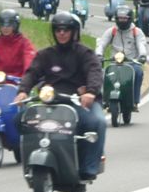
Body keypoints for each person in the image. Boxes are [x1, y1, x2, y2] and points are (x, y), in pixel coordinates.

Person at [14, 12, 106, 180]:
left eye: (66, 30)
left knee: (97, 121)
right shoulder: (45, 55)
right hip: (52, 101)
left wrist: (91, 92)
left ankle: (89, 166)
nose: (61, 33)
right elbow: (32, 73)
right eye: (58, 30)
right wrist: (22, 91)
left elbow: (95, 72)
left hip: (79, 101)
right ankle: (33, 155)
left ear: (74, 32)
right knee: (19, 119)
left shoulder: (85, 53)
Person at [96, 6, 147, 109]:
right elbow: (101, 44)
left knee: (138, 72)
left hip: (131, 63)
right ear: (116, 18)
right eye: (120, 18)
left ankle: (135, 101)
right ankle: (104, 99)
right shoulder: (112, 31)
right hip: (114, 63)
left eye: (125, 18)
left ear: (130, 19)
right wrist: (99, 55)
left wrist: (142, 55)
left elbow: (141, 44)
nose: (122, 21)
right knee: (103, 74)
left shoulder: (136, 32)